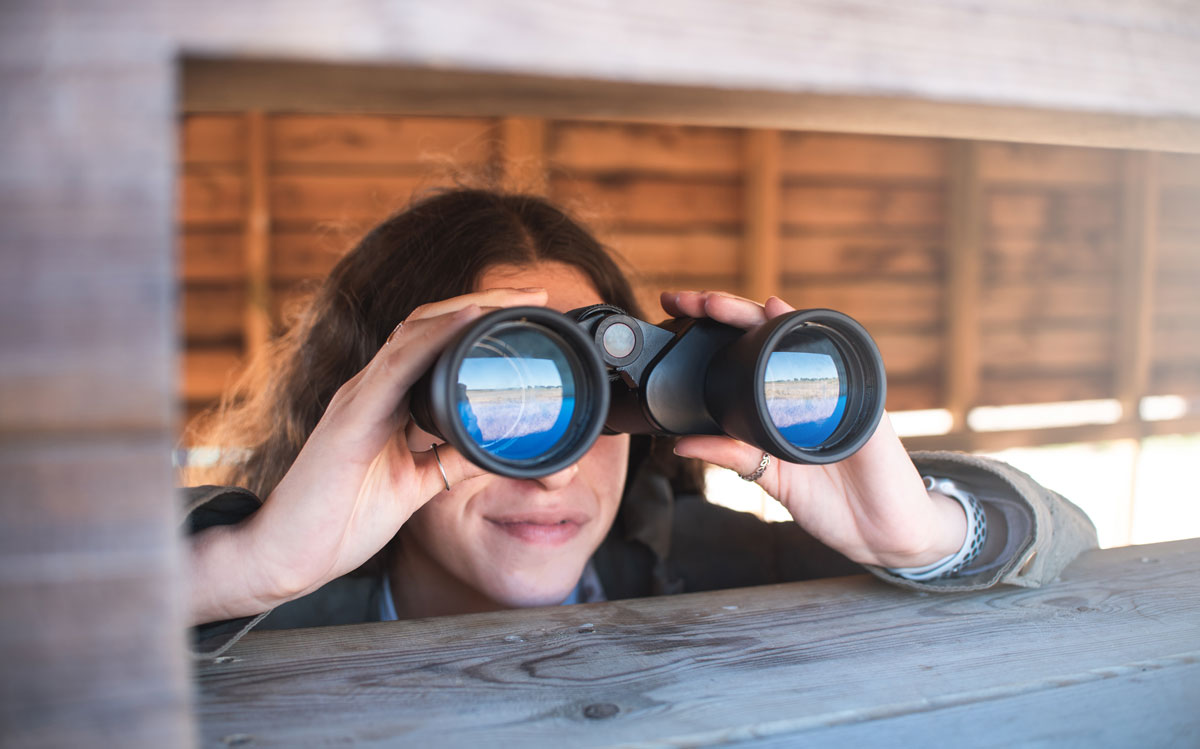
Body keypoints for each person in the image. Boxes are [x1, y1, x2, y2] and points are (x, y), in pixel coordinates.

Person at [185, 188, 1097, 658]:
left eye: (592, 405)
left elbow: (1069, 538)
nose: (552, 474)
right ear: (380, 409)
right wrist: (251, 566)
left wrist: (919, 535)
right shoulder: (258, 611)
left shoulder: (716, 567)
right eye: (507, 403)